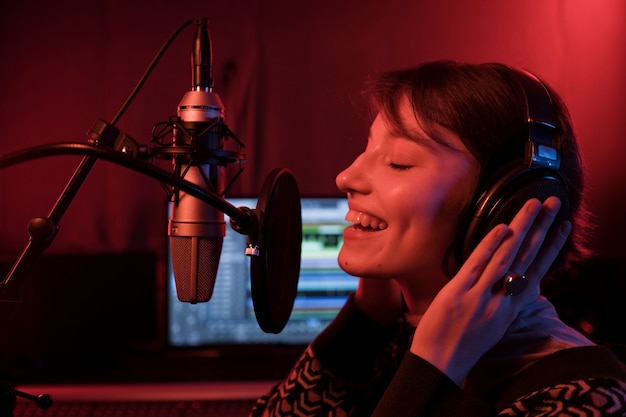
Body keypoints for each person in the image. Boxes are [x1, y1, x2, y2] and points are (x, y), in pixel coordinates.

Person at [249, 60, 626, 416]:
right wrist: (364, 323)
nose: (346, 177)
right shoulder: (389, 343)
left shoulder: (585, 398)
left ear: (506, 205)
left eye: (399, 161)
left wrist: (430, 373)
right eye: (366, 150)